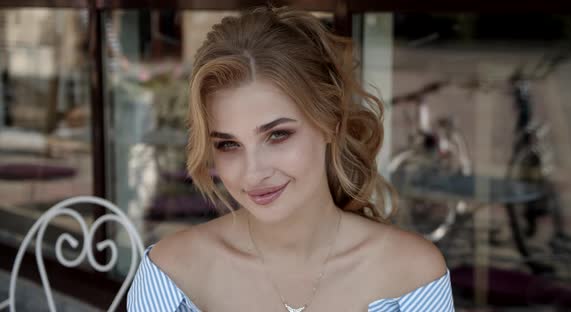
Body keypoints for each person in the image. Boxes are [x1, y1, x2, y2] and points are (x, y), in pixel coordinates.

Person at [127, 6, 454, 312]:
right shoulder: (171, 277)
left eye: (277, 135)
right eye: (228, 144)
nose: (253, 173)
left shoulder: (413, 276)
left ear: (331, 124)